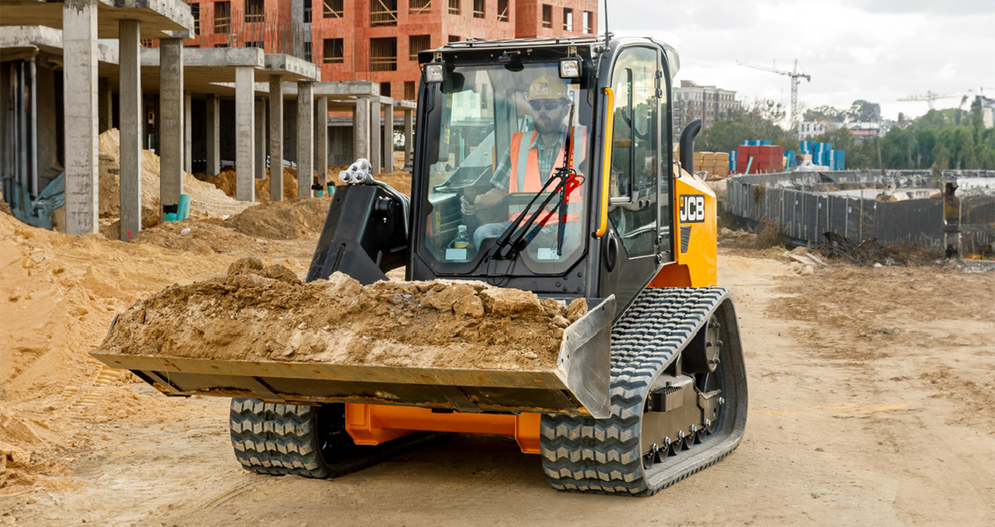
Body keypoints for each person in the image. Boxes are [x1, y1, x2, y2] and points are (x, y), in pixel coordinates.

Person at [461, 74, 587, 251]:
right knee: (483, 234)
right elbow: (500, 191)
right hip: (523, 226)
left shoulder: (583, 142)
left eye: (550, 105)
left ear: (566, 110)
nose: (542, 111)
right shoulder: (519, 145)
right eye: (536, 105)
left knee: (579, 243)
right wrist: (477, 201)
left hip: (568, 225)